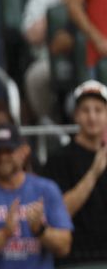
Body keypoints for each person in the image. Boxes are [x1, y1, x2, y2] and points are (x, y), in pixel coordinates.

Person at [0, 124, 73, 268]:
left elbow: (64, 246)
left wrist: (40, 230)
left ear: (23, 151)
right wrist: (4, 233)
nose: (3, 157)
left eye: (9, 150)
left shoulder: (46, 189)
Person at [42, 80, 107, 266]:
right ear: (76, 115)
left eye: (99, 110)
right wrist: (93, 173)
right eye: (86, 110)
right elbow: (57, 214)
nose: (92, 117)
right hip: (74, 260)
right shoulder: (58, 160)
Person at [22, 0, 73, 123]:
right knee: (35, 77)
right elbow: (31, 36)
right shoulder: (40, 0)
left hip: (84, 60)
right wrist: (61, 7)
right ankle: (51, 129)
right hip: (48, 61)